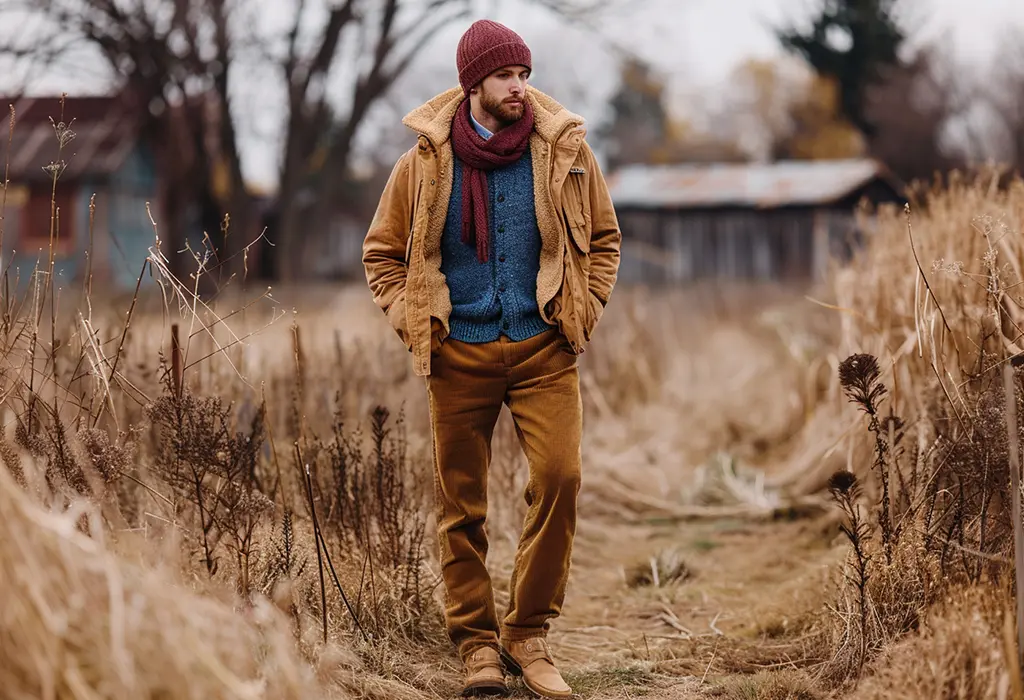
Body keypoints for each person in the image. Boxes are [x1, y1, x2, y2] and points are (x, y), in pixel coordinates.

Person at [362, 18, 621, 699]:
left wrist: (581, 310)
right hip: (459, 356)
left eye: (526, 76)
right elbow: (381, 256)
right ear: (473, 81)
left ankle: (527, 635)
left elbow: (605, 238)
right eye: (508, 75)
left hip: (544, 350)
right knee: (460, 506)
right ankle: (476, 645)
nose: (521, 88)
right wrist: (417, 321)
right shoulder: (422, 162)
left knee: (561, 479)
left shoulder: (564, 151)